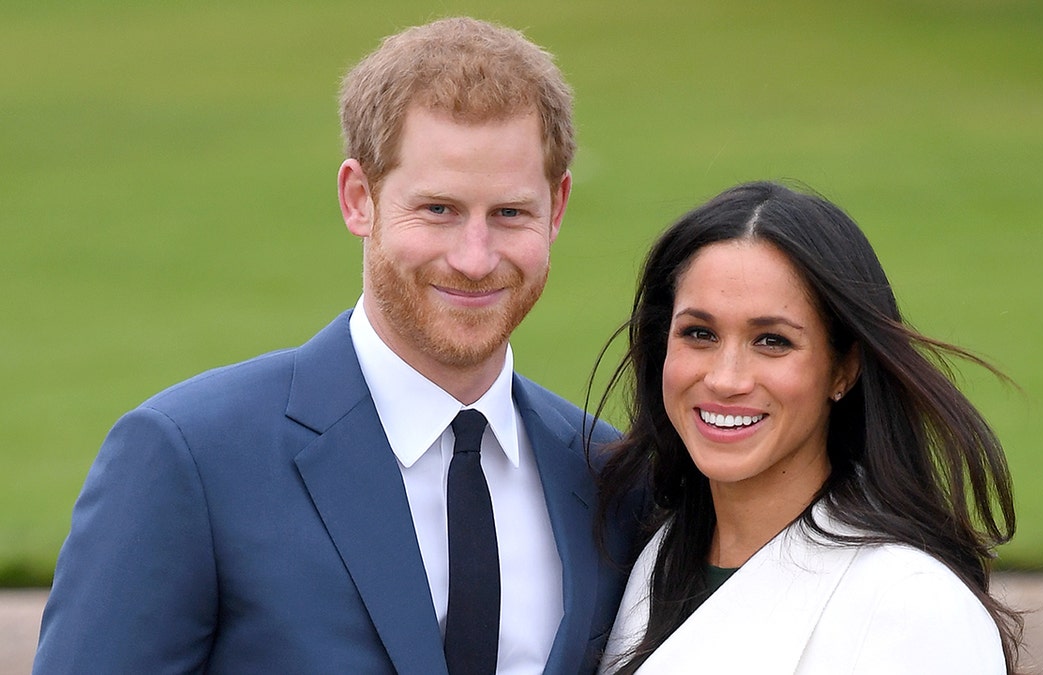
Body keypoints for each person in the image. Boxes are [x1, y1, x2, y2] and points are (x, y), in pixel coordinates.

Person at [35, 17, 639, 675]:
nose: (475, 257)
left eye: (509, 213)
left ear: (557, 208)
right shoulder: (192, 459)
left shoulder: (609, 478)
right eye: (438, 209)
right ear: (359, 199)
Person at [593, 181, 1024, 674]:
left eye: (772, 341)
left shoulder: (911, 604)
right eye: (699, 333)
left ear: (843, 369)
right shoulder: (646, 557)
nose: (725, 379)